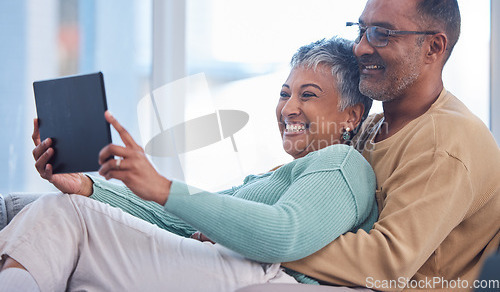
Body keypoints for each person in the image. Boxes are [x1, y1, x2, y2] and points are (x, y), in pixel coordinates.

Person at [0, 37, 378, 291]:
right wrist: (87, 185)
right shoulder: (277, 174)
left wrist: (163, 188)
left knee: (63, 216)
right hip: (230, 268)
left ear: (351, 115)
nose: (288, 107)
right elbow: (176, 221)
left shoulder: (342, 164)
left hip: (259, 277)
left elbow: (284, 236)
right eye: (284, 93)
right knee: (61, 209)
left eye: (307, 95)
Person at [238, 0, 500, 292]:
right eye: (361, 30)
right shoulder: (374, 126)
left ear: (433, 47)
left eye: (381, 34)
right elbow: (297, 177)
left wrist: (251, 236)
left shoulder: (445, 142)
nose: (360, 48)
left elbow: (386, 264)